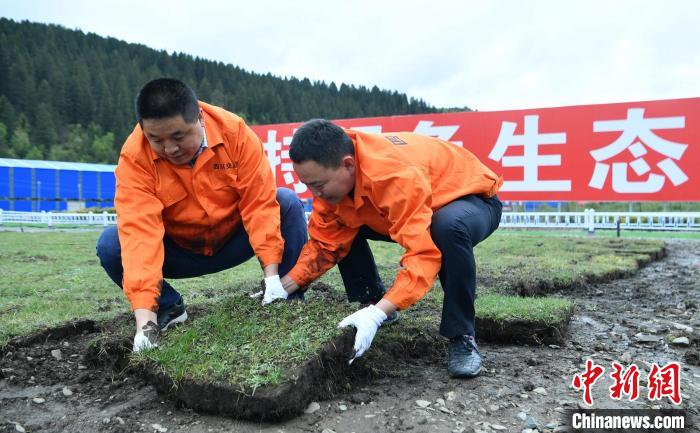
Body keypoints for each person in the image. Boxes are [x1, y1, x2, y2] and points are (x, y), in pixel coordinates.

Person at [269, 119, 502, 378]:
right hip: (412, 209)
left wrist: (377, 315)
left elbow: (423, 255)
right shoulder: (333, 179)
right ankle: (372, 297)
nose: (315, 193)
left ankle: (462, 335)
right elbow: (326, 244)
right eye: (308, 185)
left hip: (471, 201)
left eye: (318, 185)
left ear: (348, 164)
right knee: (345, 222)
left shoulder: (393, 175)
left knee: (446, 228)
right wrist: (283, 285)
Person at [96, 78, 307, 352]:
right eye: (156, 140)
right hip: (179, 252)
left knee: (286, 202)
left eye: (178, 137)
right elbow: (140, 234)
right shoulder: (135, 158)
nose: (169, 149)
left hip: (234, 240)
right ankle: (169, 307)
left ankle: (282, 293)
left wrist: (270, 276)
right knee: (112, 244)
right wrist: (144, 324)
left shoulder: (235, 134)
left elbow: (259, 205)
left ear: (199, 117)